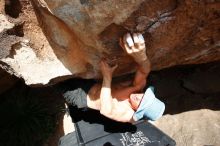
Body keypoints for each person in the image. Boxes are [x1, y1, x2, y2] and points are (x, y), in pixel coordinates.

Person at [55, 33, 164, 123]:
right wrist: (141, 56)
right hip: (91, 83)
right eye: (144, 97)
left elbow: (107, 110)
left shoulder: (127, 114)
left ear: (137, 111)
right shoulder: (137, 89)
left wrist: (107, 76)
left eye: (140, 104)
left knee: (57, 82)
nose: (138, 98)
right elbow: (144, 70)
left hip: (80, 96)